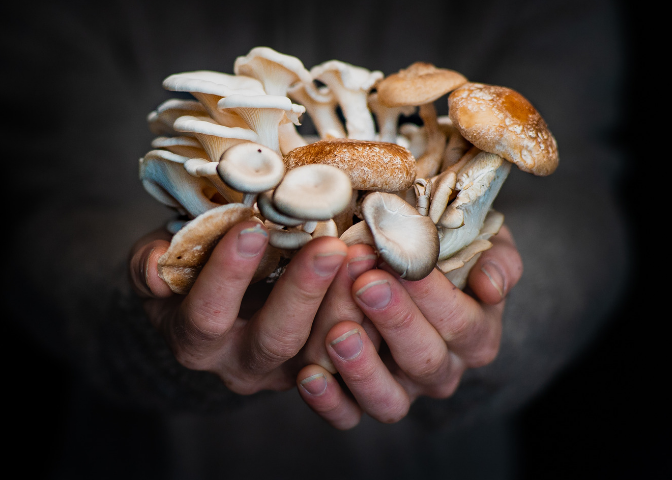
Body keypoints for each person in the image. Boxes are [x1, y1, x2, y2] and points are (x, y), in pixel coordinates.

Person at [3, 0, 629, 478]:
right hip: (153, 455)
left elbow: (575, 202)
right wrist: (145, 318)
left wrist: (495, 318)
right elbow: (51, 213)